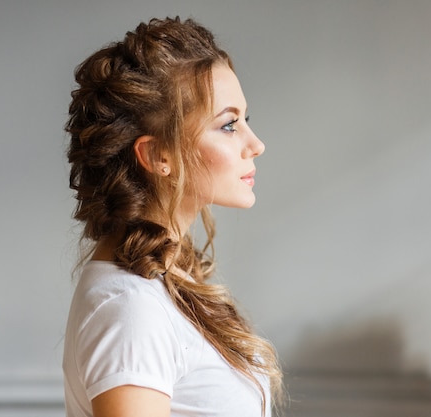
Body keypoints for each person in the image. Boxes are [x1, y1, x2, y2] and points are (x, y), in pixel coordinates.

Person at [62, 17, 282, 417]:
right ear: (158, 156)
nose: (256, 144)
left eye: (246, 119)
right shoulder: (129, 309)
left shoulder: (162, 280)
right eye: (229, 125)